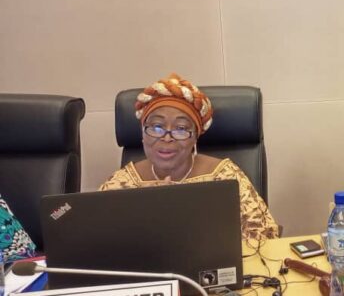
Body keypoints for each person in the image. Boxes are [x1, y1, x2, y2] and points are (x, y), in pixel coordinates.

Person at [100, 73, 279, 243]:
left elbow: (266, 237)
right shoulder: (120, 184)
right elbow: (97, 243)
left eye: (181, 129)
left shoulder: (225, 177)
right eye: (156, 127)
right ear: (142, 134)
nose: (167, 137)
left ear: (195, 137)